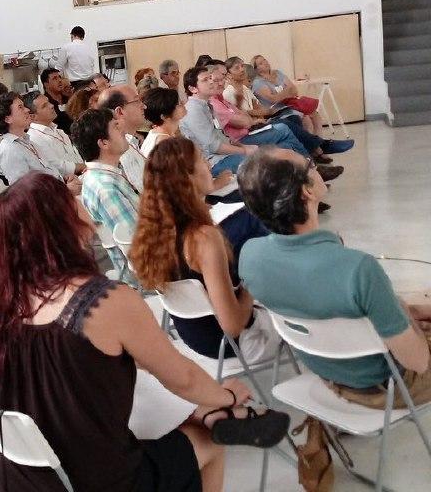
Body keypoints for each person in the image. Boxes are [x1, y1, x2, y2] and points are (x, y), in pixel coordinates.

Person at [0, 172, 289, 492]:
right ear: (63, 222)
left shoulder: (7, 303)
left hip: (28, 476)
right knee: (208, 440)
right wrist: (228, 395)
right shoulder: (102, 302)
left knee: (146, 383)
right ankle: (219, 412)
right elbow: (182, 378)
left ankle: (208, 412)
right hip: (97, 479)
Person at [238, 147, 431, 409]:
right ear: (306, 191)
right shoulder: (358, 269)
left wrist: (404, 310)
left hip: (326, 371)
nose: (316, 166)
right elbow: (418, 362)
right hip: (386, 386)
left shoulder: (250, 256)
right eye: (310, 164)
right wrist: (409, 320)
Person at [130, 137, 280, 363]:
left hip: (196, 338)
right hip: (239, 342)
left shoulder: (152, 234)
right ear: (187, 178)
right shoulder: (202, 238)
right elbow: (233, 325)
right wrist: (250, 284)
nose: (209, 165)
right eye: (201, 159)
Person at [205, 62, 344, 182]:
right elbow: (246, 118)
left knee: (292, 131)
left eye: (222, 78)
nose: (221, 82)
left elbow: (251, 112)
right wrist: (252, 118)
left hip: (253, 127)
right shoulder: (222, 98)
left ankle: (310, 175)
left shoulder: (227, 97)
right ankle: (317, 157)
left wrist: (252, 117)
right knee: (285, 127)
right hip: (243, 138)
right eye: (216, 80)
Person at [180, 66, 318, 178]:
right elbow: (214, 147)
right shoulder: (193, 110)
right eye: (205, 80)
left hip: (228, 151)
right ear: (193, 89)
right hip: (214, 162)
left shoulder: (207, 105)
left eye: (211, 78)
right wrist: (245, 150)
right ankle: (303, 184)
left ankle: (310, 175)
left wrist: (243, 146)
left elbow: (224, 137)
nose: (212, 82)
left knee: (285, 146)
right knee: (269, 160)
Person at [223, 57, 353, 162]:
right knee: (287, 123)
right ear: (229, 74)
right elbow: (241, 116)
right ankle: (321, 147)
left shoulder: (245, 89)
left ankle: (312, 157)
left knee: (296, 118)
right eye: (237, 68)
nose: (242, 69)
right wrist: (256, 113)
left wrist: (258, 113)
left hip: (261, 120)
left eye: (242, 66)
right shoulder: (229, 92)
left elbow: (260, 108)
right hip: (249, 130)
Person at [72, 109, 137, 283]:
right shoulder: (106, 189)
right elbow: (139, 245)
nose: (122, 126)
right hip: (150, 276)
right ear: (104, 143)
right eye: (116, 126)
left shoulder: (102, 176)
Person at [0, 92, 81, 194]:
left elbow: (46, 174)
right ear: (8, 119)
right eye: (20, 107)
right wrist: (65, 190)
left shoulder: (27, 141)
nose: (27, 110)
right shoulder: (9, 151)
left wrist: (63, 179)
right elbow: (25, 193)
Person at [251, 55, 324, 136]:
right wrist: (287, 91)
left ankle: (319, 139)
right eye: (261, 63)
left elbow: (294, 90)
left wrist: (282, 94)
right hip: (276, 111)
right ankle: (310, 141)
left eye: (264, 60)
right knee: (305, 118)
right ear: (256, 69)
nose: (265, 63)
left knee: (314, 114)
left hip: (290, 104)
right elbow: (274, 99)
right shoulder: (258, 83)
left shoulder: (278, 73)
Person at [96, 85, 148, 192]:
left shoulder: (130, 142)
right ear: (119, 111)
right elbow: (145, 192)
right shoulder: (121, 150)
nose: (144, 106)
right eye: (137, 101)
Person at [26, 91, 85, 178]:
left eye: (48, 102)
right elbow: (56, 165)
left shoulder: (58, 131)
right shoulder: (34, 137)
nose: (51, 106)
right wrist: (85, 167)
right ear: (32, 116)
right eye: (44, 106)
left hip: (81, 174)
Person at [40, 68, 74, 134]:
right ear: (46, 84)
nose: (59, 80)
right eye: (55, 78)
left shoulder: (68, 97)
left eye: (59, 77)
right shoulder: (45, 103)